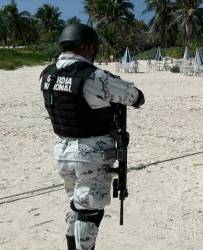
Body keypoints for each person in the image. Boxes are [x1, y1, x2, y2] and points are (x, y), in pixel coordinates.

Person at [40, 23, 145, 250]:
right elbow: (135, 97)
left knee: (76, 204)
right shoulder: (92, 76)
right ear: (87, 47)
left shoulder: (47, 74)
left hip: (62, 148)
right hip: (90, 153)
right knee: (90, 210)